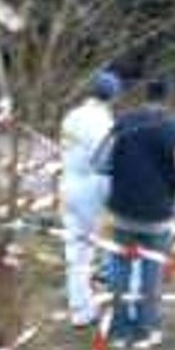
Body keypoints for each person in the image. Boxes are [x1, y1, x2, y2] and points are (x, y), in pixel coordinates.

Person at [100, 78, 175, 349]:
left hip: (122, 210)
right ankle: (146, 329)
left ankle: (118, 331)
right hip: (158, 214)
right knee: (151, 274)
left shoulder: (123, 122)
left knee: (119, 271)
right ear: (168, 99)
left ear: (145, 96)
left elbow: (100, 162)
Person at [58, 69, 123, 329]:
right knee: (104, 246)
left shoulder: (71, 116)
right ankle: (110, 306)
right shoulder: (101, 122)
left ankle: (80, 311)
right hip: (90, 186)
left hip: (68, 183)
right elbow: (106, 158)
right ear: (113, 96)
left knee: (75, 252)